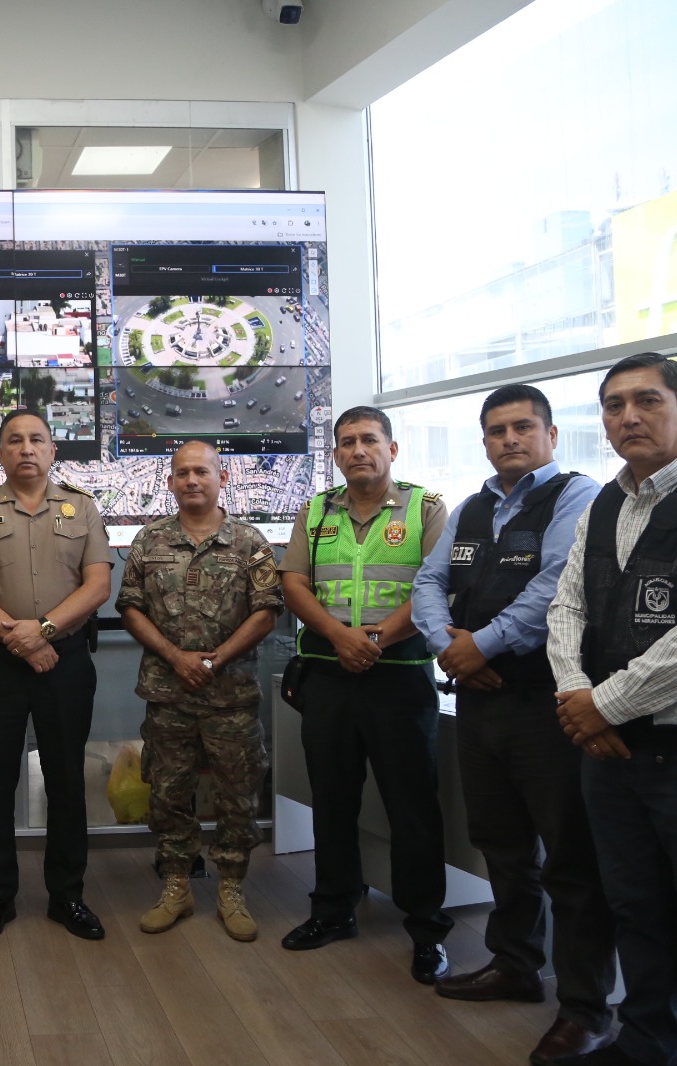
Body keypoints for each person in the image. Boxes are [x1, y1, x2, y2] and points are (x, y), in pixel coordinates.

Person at [548, 352, 677, 1066]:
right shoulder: (606, 501)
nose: (628, 417)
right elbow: (568, 606)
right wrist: (578, 700)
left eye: (647, 400)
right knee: (635, 908)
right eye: (613, 405)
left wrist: (600, 706)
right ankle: (646, 1043)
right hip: (611, 755)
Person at [410, 385, 614, 1063]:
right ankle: (516, 964)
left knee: (570, 858)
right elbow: (427, 583)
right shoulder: (472, 508)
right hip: (478, 701)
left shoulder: (579, 499)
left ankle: (587, 1007)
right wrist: (450, 648)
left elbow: (555, 585)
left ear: (551, 434)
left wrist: (481, 645)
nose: (509, 439)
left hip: (546, 703)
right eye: (496, 430)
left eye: (522, 427)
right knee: (501, 843)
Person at [277, 405, 455, 984]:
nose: (358, 450)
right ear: (335, 454)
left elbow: (434, 586)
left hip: (398, 677)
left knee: (413, 807)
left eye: (369, 440)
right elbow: (294, 583)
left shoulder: (426, 508)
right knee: (332, 800)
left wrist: (374, 639)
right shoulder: (316, 510)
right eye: (347, 442)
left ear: (392, 449)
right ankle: (333, 910)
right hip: (328, 676)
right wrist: (337, 635)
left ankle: (426, 928)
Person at [0, 408, 112, 942]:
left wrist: (41, 631)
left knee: (68, 779)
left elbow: (96, 587)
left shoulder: (82, 508)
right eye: (14, 441)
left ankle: (68, 895)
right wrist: (18, 639)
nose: (26, 449)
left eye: (36, 440)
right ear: (0, 453)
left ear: (52, 451)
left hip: (64, 660)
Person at [116, 442, 281, 940]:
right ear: (169, 482)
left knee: (237, 793)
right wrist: (176, 658)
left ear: (222, 477)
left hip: (230, 696)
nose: (192, 480)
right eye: (182, 473)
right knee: (167, 792)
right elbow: (130, 608)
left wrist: (216, 658)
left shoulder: (250, 543)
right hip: (169, 694)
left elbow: (266, 610)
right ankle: (177, 884)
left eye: (202, 471)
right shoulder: (149, 540)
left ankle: (231, 887)